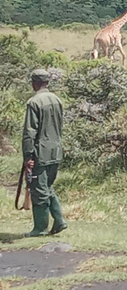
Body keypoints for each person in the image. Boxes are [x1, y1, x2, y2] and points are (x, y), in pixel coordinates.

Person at [22, 69, 67, 237]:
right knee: (47, 187)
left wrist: (28, 156)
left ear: (34, 83)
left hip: (40, 153)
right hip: (55, 151)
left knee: (39, 191)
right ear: (47, 82)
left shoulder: (34, 102)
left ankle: (40, 228)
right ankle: (59, 220)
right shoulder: (57, 100)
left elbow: (29, 132)